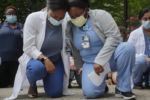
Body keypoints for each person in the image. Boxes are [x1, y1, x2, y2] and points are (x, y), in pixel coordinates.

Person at [65, 0, 136, 99]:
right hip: (90, 62)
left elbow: (114, 37)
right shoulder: (69, 25)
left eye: (77, 15)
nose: (74, 18)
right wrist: (79, 65)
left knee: (127, 48)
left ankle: (123, 89)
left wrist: (100, 60)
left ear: (86, 10)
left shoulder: (101, 16)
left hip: (111, 57)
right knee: (90, 94)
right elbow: (73, 47)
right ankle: (102, 86)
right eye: (71, 16)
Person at [4, 0, 70, 100]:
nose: (58, 20)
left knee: (55, 93)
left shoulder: (67, 20)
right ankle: (33, 84)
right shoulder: (33, 18)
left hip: (56, 60)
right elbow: (28, 47)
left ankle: (49, 79)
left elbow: (80, 10)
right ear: (47, 9)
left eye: (61, 17)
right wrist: (45, 60)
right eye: (55, 16)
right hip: (37, 60)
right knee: (36, 69)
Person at [0, 6, 23, 88]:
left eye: (13, 14)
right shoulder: (1, 27)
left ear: (16, 15)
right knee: (2, 84)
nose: (11, 15)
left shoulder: (21, 26)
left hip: (17, 61)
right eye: (9, 14)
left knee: (16, 84)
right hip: (3, 61)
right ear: (5, 15)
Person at [128, 8, 150, 89]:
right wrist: (143, 57)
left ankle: (148, 82)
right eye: (145, 19)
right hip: (141, 63)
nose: (148, 21)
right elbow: (129, 52)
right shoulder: (134, 34)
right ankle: (137, 82)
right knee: (141, 61)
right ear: (140, 20)